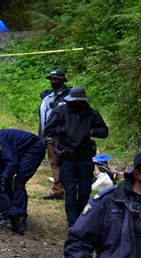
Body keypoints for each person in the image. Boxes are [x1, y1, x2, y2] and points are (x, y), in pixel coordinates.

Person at [44, 86, 108, 227]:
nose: (77, 103)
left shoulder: (90, 113)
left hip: (84, 158)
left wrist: (91, 130)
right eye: (75, 100)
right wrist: (64, 130)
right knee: (71, 190)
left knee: (85, 191)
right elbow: (48, 129)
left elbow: (104, 131)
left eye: (80, 100)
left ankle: (80, 218)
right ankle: (73, 224)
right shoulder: (60, 111)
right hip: (67, 157)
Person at [0, 128, 45, 232]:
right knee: (5, 180)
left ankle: (20, 217)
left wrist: (3, 177)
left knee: (18, 181)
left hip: (34, 148)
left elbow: (12, 162)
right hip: (20, 151)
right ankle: (10, 211)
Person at [39, 69, 70, 200]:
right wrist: (42, 136)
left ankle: (70, 189)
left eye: (56, 79)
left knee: (67, 164)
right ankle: (58, 191)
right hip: (50, 136)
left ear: (62, 80)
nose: (53, 82)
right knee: (54, 163)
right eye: (51, 79)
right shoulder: (47, 97)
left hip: (65, 137)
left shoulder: (69, 97)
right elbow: (43, 117)